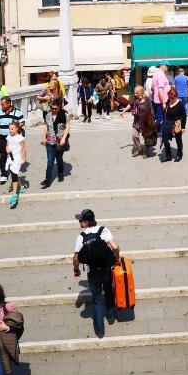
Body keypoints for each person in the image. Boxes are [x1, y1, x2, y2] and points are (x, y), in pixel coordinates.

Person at [73, 209, 119, 339]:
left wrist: (76, 270)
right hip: (106, 269)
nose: (79, 222)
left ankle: (99, 330)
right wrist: (116, 259)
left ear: (86, 222)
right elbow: (115, 247)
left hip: (92, 272)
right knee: (109, 292)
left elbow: (76, 258)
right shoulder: (103, 230)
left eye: (81, 220)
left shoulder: (81, 236)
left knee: (98, 299)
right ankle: (110, 316)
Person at [0, 97, 25, 186]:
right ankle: (4, 174)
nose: (1, 106)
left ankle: (14, 170)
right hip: (2, 138)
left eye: (3, 104)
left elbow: (23, 122)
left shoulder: (17, 112)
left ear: (9, 103)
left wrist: (15, 127)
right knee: (2, 155)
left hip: (12, 139)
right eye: (1, 104)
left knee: (13, 155)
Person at [41, 97, 70, 188]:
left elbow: (67, 127)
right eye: (52, 108)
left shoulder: (64, 115)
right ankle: (47, 180)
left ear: (59, 108)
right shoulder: (48, 115)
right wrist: (44, 138)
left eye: (55, 108)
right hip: (50, 140)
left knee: (59, 159)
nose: (53, 110)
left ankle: (60, 173)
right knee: (50, 160)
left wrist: (64, 138)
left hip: (59, 140)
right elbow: (46, 126)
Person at [121, 85, 157, 158]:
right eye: (135, 93)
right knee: (134, 135)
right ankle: (139, 148)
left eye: (136, 93)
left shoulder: (147, 99)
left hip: (146, 121)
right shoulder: (136, 100)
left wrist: (152, 120)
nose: (135, 94)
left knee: (147, 137)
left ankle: (147, 151)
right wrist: (123, 111)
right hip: (137, 121)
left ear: (141, 92)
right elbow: (130, 105)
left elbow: (152, 109)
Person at [161, 86, 187, 163]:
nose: (171, 99)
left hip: (177, 123)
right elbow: (165, 114)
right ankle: (168, 156)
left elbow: (184, 116)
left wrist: (183, 127)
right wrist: (164, 107)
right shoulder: (168, 102)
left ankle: (179, 154)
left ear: (176, 96)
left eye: (172, 98)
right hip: (167, 122)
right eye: (170, 97)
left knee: (178, 139)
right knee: (165, 139)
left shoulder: (180, 104)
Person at [6, 120, 27, 209]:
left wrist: (24, 158)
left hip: (17, 157)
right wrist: (7, 149)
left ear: (17, 129)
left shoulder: (20, 138)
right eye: (9, 129)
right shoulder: (8, 136)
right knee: (13, 172)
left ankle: (14, 195)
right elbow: (7, 145)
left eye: (12, 129)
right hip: (10, 157)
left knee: (13, 174)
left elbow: (24, 148)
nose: (10, 130)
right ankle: (21, 187)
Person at [152, 64, 171, 132]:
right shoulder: (161, 75)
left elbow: (152, 88)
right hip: (161, 100)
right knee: (160, 118)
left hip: (158, 99)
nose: (168, 67)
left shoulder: (156, 73)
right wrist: (163, 102)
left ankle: (158, 131)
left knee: (160, 117)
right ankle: (153, 131)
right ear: (162, 66)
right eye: (167, 66)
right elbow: (160, 90)